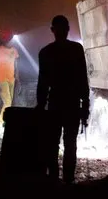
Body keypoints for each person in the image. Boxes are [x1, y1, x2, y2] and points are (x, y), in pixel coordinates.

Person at [36, 15, 90, 184]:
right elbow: (83, 79)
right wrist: (85, 105)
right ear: (67, 29)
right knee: (70, 143)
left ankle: (53, 178)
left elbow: (43, 82)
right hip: (72, 104)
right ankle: (68, 180)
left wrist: (40, 105)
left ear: (53, 31)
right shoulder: (76, 49)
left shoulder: (45, 52)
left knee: (52, 144)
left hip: (55, 104)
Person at [0, 30, 19, 125]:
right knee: (7, 101)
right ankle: (0, 123)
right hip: (1, 79)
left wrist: (18, 78)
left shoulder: (14, 50)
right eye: (9, 39)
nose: (11, 41)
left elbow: (16, 66)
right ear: (5, 40)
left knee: (10, 101)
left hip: (11, 79)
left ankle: (6, 121)